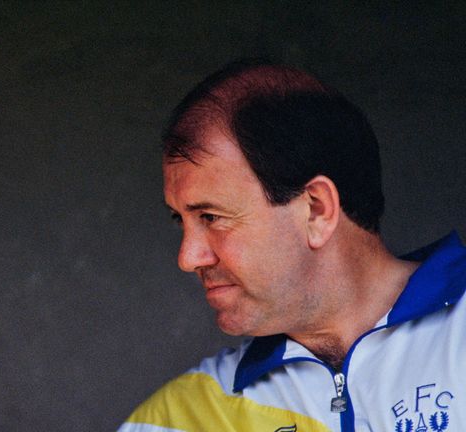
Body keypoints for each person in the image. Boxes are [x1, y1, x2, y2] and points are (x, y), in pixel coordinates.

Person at [119, 60, 465, 431]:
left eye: (211, 217)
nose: (188, 258)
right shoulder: (178, 421)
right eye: (180, 220)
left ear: (316, 209)